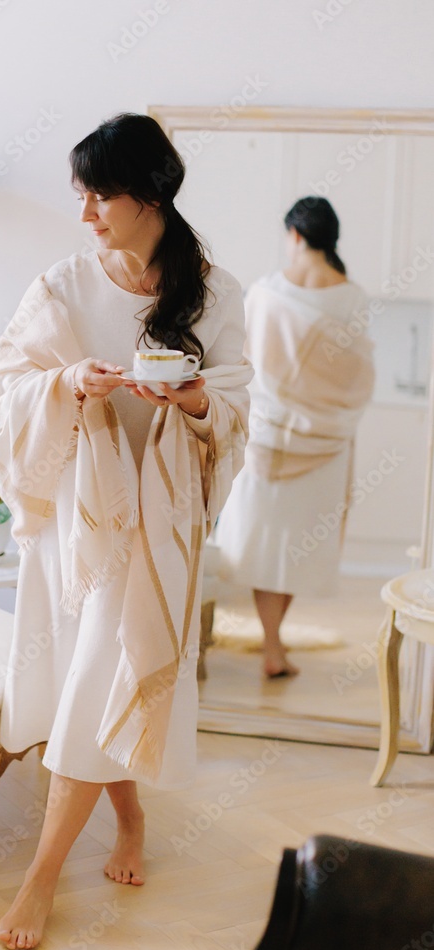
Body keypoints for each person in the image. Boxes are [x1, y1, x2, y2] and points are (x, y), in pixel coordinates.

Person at [0, 112, 252, 950]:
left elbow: (237, 402)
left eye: (100, 196)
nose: (86, 213)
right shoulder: (60, 287)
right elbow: (7, 388)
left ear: (151, 194)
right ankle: (129, 822)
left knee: (102, 667)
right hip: (80, 518)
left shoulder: (217, 293)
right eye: (82, 195)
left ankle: (39, 879)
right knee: (92, 677)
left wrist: (194, 400)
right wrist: (69, 380)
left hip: (161, 523)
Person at [215, 196, 375, 678]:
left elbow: (239, 359)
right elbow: (358, 377)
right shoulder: (352, 297)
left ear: (296, 235)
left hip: (266, 436)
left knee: (265, 541)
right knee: (296, 546)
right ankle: (274, 645)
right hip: (326, 440)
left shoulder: (266, 293)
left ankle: (271, 643)